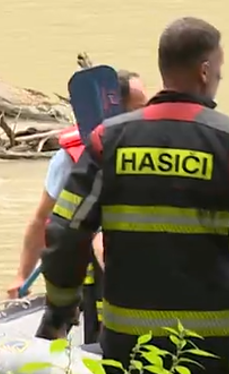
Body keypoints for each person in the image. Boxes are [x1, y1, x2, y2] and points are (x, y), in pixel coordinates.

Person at [38, 17, 229, 374]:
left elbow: (66, 228)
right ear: (204, 70)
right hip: (218, 336)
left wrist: (61, 306)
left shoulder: (109, 140)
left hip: (130, 332)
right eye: (219, 68)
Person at [9, 69, 148, 344]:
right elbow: (43, 220)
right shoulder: (70, 159)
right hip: (89, 274)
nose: (149, 114)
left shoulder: (154, 147)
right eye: (141, 108)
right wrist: (21, 275)